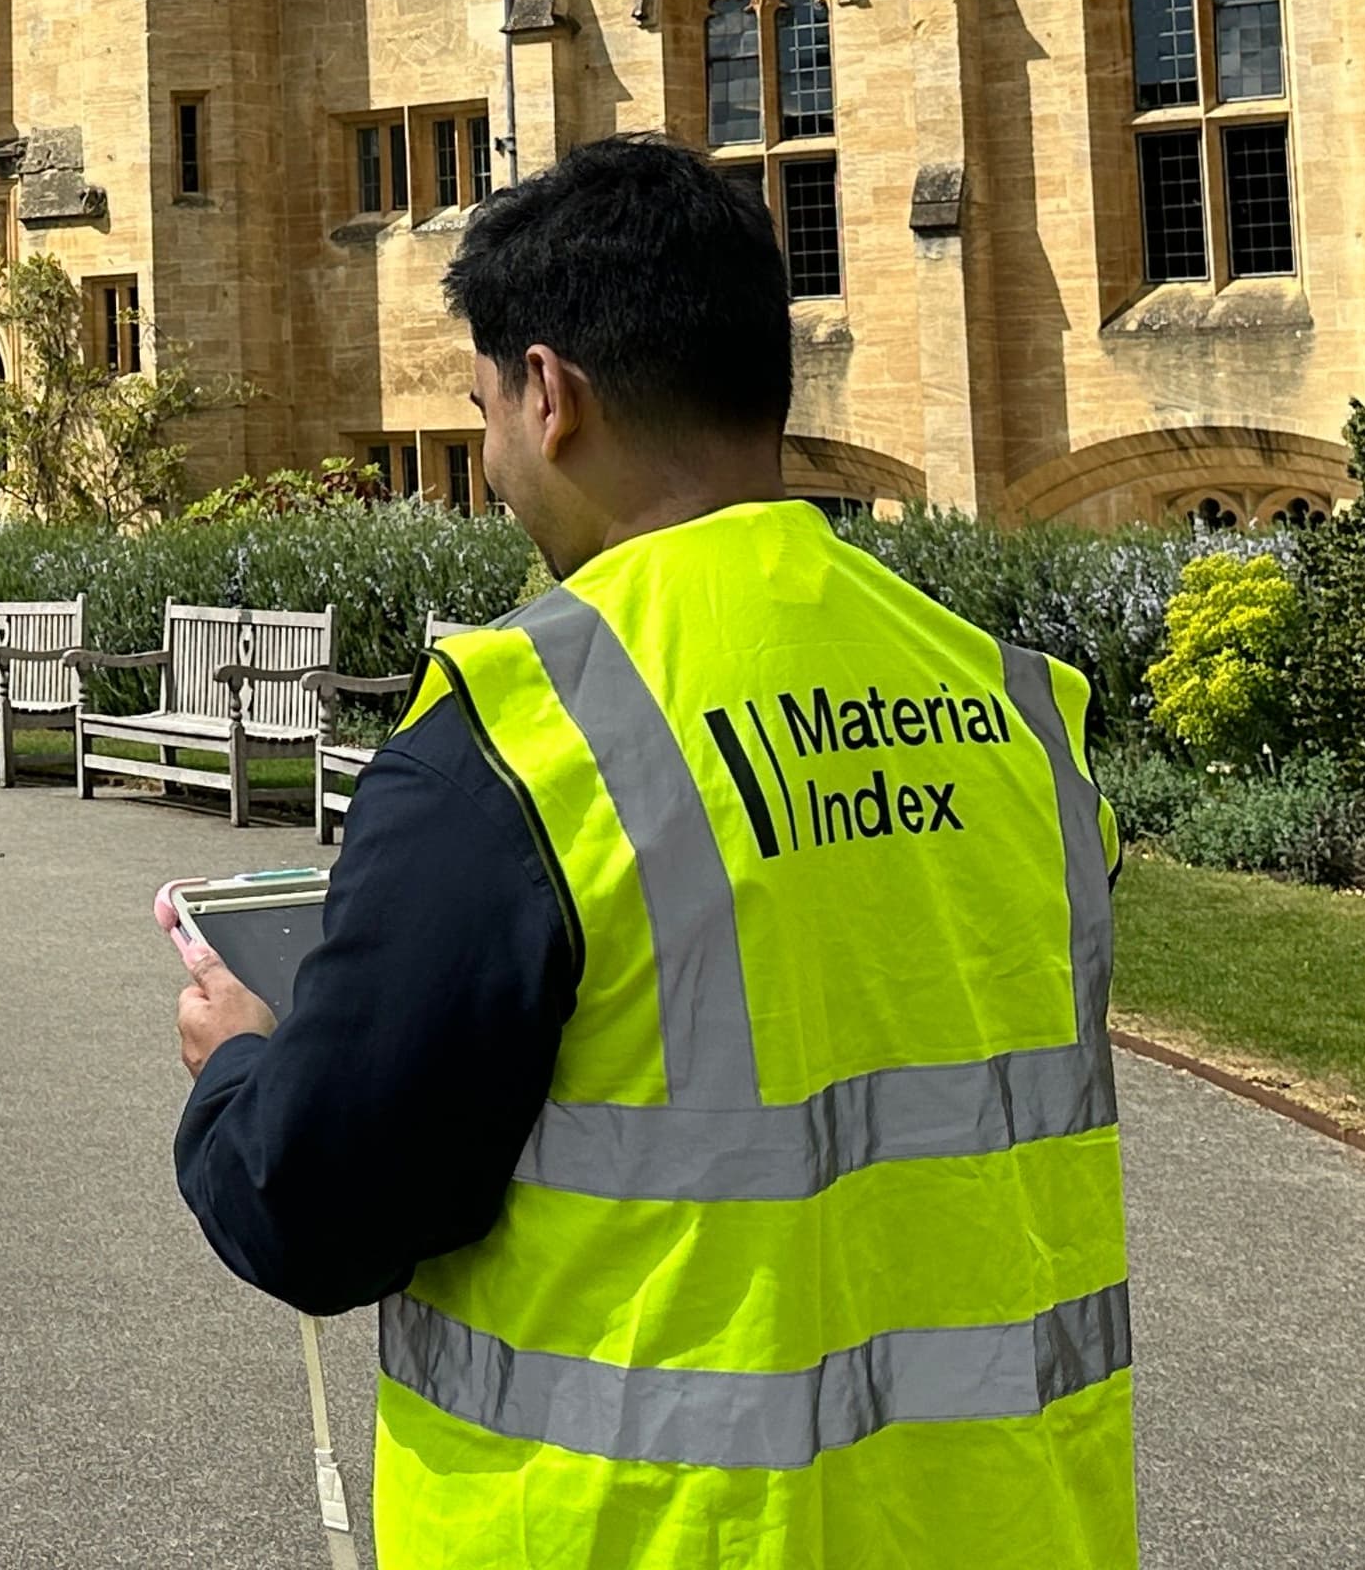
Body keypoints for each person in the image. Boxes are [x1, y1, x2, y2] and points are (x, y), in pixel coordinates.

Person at [169, 136, 1133, 1564]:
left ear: (549, 394)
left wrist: (240, 1065)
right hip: (1008, 1525)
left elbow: (315, 1210)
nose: (490, 461)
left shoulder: (518, 736)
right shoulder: (1014, 709)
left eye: (483, 413)